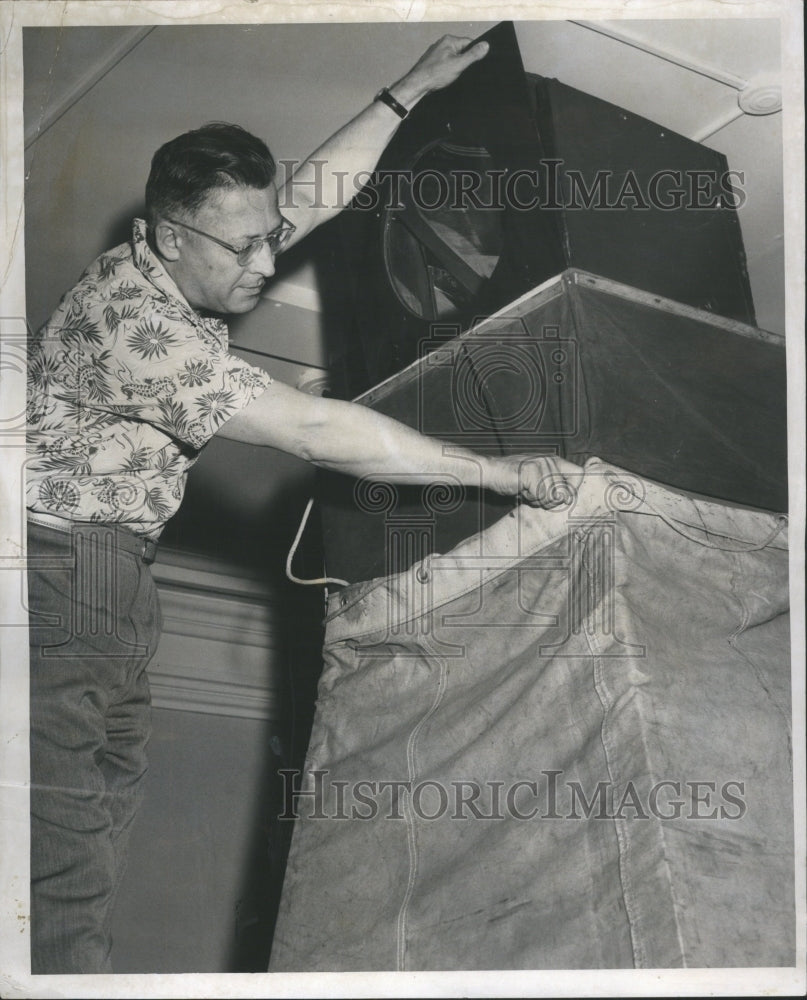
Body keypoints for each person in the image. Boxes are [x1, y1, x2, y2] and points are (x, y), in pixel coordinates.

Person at [25, 34, 580, 974]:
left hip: (109, 577)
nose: (261, 264)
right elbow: (319, 432)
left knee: (101, 808)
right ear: (167, 236)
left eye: (265, 237)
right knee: (64, 835)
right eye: (241, 247)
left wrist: (403, 93)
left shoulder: (189, 263)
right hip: (58, 571)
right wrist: (500, 474)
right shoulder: (134, 327)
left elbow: (308, 197)